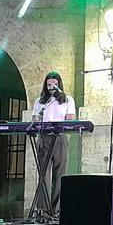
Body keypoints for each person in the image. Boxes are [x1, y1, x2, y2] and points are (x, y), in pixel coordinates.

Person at [29, 71, 76, 215]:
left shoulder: (67, 100)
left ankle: (55, 210)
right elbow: (35, 121)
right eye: (49, 85)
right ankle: (43, 210)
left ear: (59, 85)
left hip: (60, 138)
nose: (51, 88)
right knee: (44, 175)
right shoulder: (40, 101)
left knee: (60, 175)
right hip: (44, 139)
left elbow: (71, 120)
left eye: (54, 85)